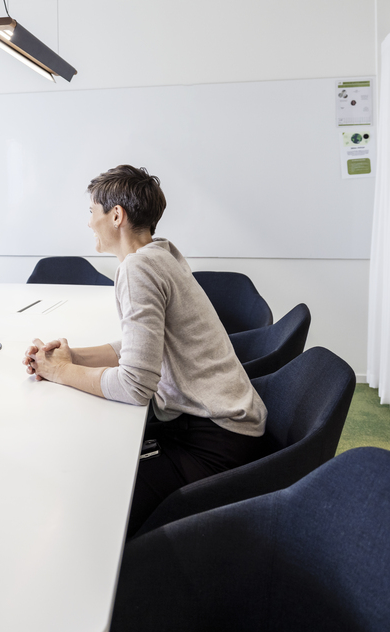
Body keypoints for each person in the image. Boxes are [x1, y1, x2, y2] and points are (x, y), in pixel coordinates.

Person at [22, 165, 267, 537]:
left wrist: (60, 373)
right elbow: (141, 347)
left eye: (92, 212)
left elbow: (135, 386)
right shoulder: (160, 254)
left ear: (116, 215)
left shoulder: (138, 269)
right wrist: (72, 357)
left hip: (215, 441)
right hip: (221, 423)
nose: (89, 223)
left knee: (98, 502)